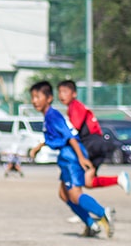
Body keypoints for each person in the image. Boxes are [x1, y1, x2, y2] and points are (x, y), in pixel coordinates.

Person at [29, 81, 115, 237]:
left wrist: (81, 158)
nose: (34, 101)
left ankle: (103, 212)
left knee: (74, 194)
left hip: (70, 156)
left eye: (37, 97)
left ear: (49, 98)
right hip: (67, 155)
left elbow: (71, 137)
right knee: (64, 194)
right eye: (32, 97)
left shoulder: (52, 115)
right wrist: (38, 147)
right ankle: (91, 224)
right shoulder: (50, 115)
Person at [56, 79, 131, 194]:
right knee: (88, 182)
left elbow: (74, 128)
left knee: (71, 182)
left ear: (74, 94)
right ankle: (118, 179)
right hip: (97, 143)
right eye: (60, 92)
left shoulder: (75, 106)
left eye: (65, 91)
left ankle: (85, 209)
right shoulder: (74, 107)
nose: (62, 95)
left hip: (91, 143)